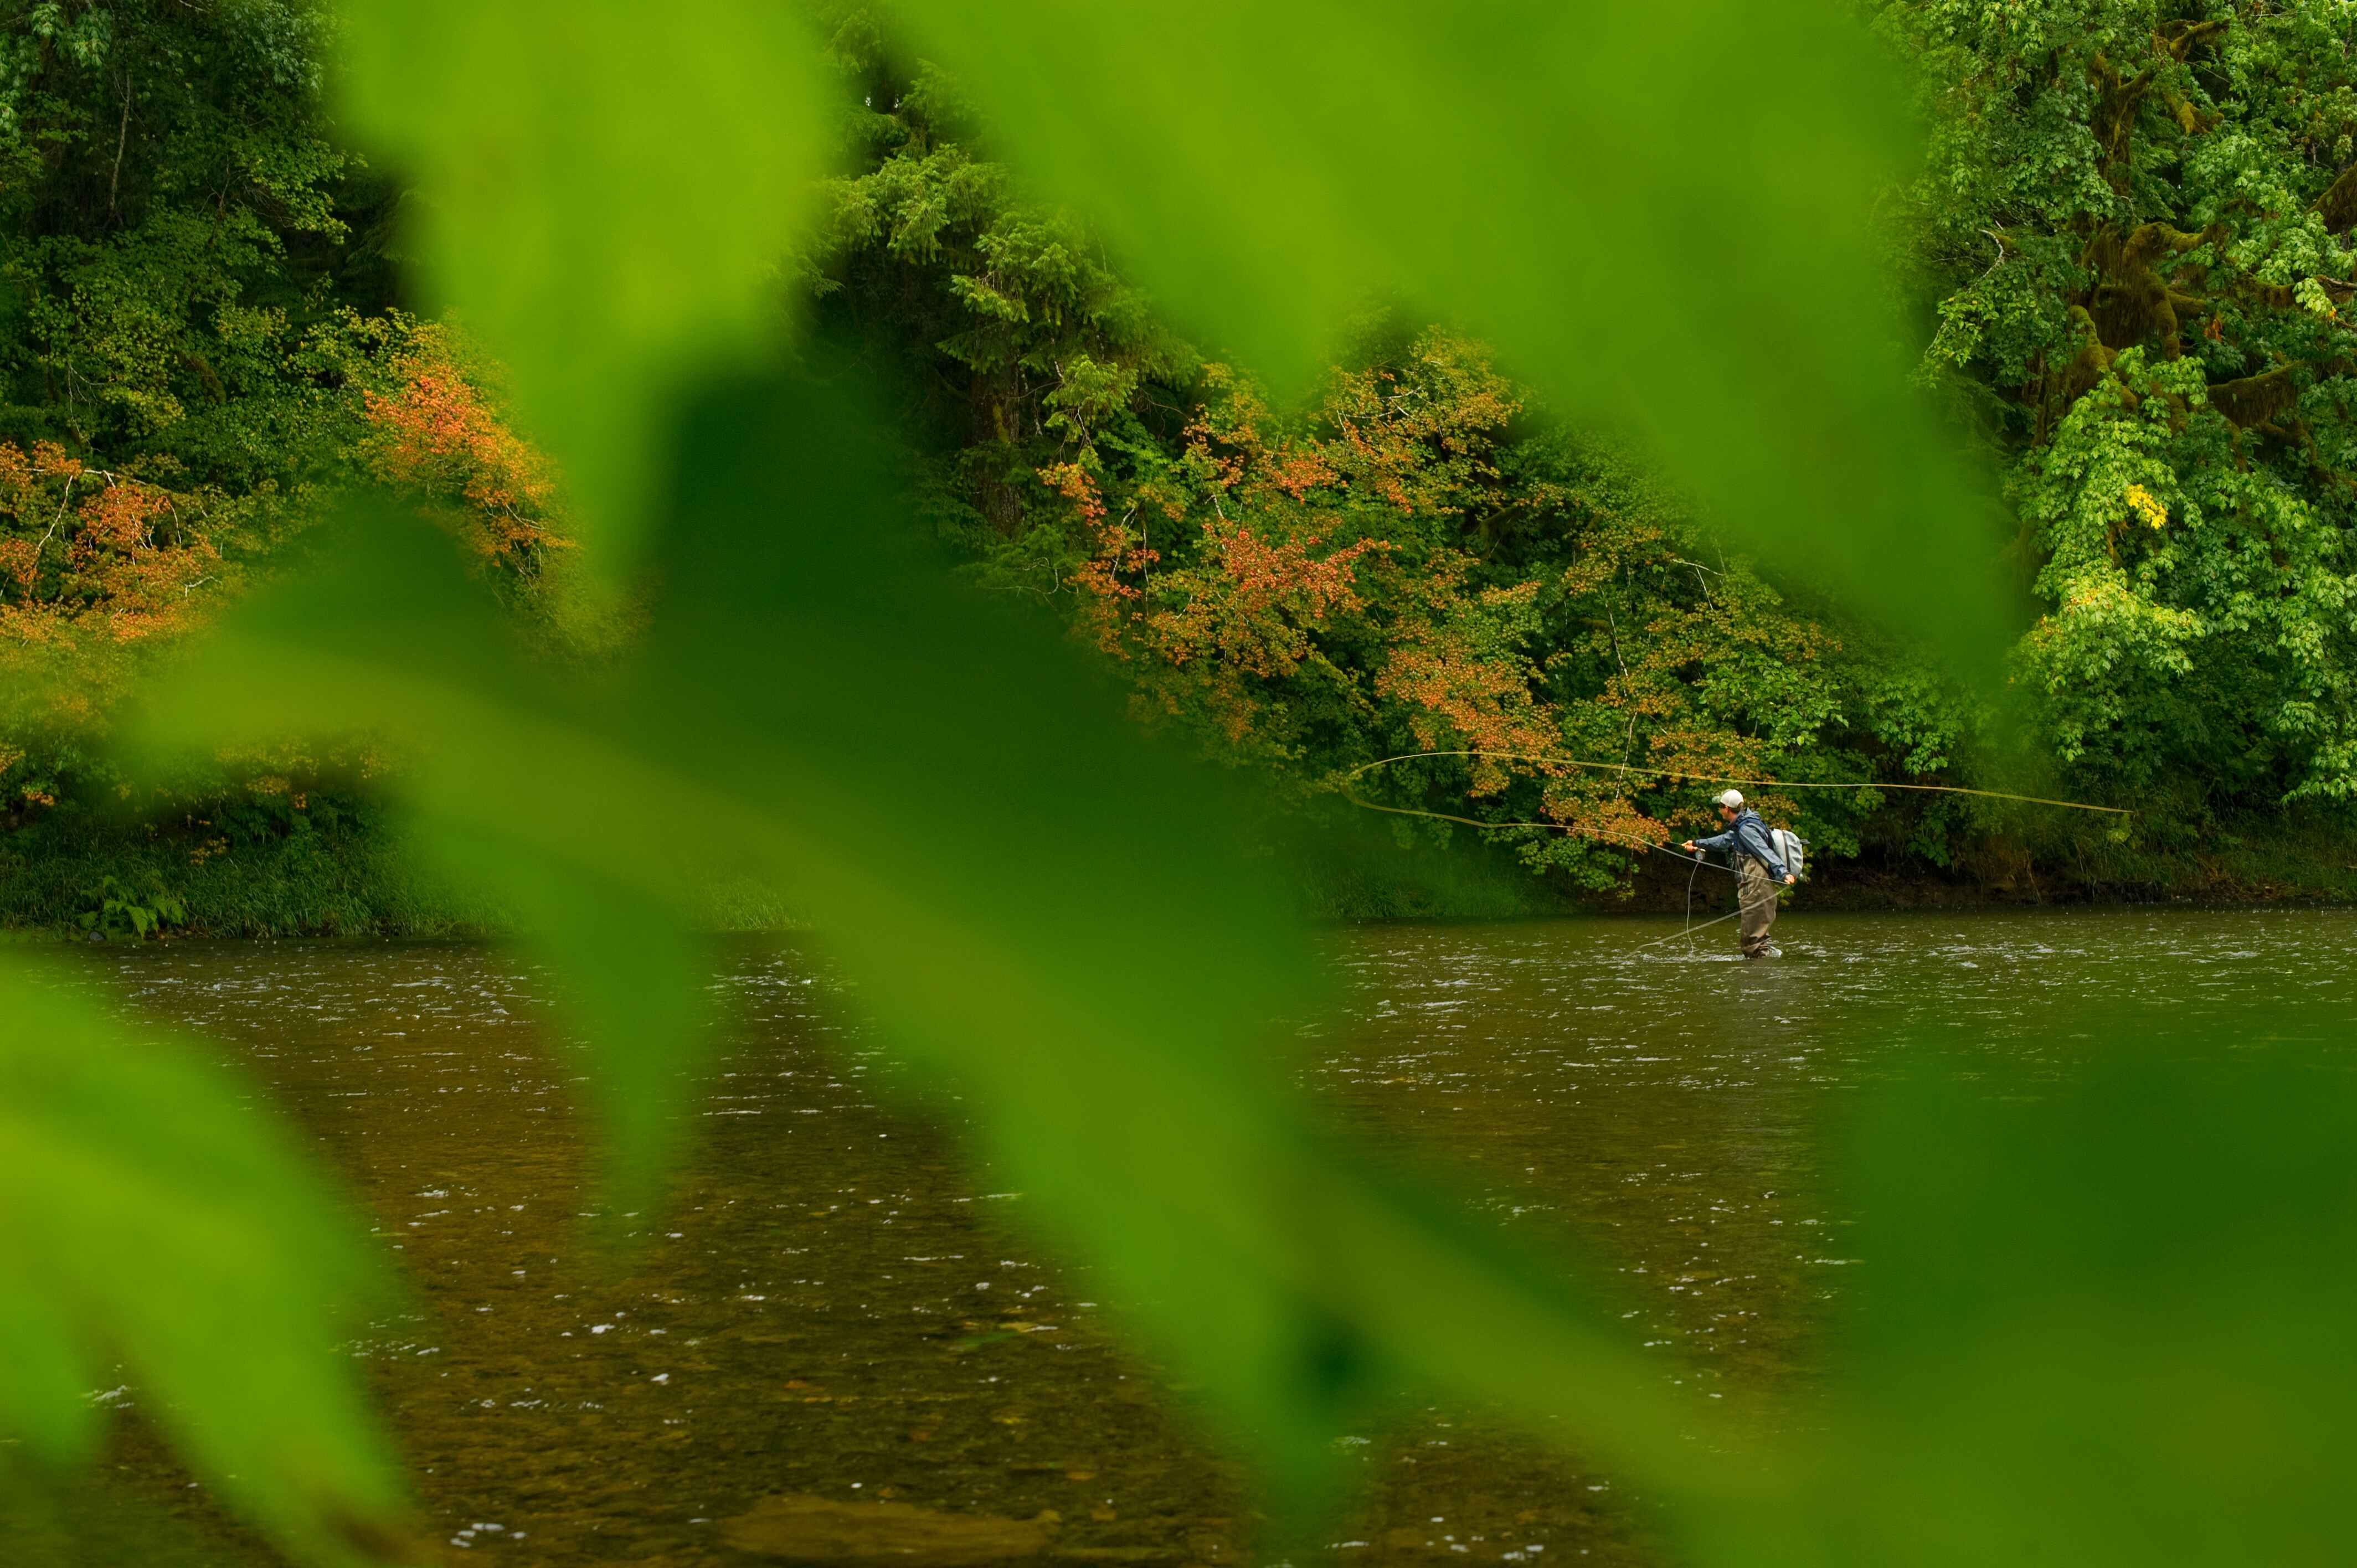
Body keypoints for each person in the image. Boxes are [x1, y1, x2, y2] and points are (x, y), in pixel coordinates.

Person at [1680, 788, 1795, 960]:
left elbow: (1764, 851)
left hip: (1755, 887)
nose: (1719, 810)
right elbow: (1724, 841)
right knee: (1754, 939)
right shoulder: (1743, 825)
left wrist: (1782, 872)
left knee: (1752, 942)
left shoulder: (1745, 830)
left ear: (1726, 808)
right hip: (1756, 887)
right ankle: (1762, 970)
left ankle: (1759, 977)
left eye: (1720, 807)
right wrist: (1698, 843)